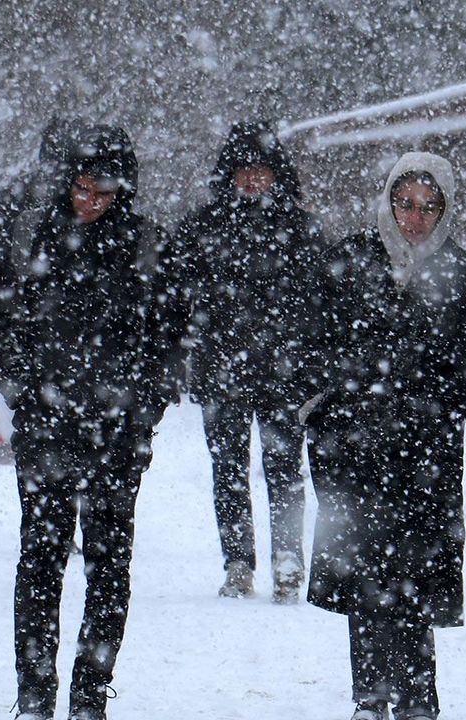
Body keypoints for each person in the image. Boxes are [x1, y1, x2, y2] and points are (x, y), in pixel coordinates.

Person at [0, 122, 187, 720]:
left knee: (109, 564)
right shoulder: (27, 239)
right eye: (81, 188)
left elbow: (172, 337)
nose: (90, 201)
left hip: (118, 434)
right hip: (45, 427)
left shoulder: (148, 246)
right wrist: (25, 393)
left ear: (124, 190)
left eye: (104, 191)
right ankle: (34, 694)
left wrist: (143, 408)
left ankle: (90, 695)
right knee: (40, 560)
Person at [298, 151, 466, 720]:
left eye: (429, 206)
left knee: (417, 571)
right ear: (388, 202)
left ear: (445, 208)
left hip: (425, 447)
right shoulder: (350, 260)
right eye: (406, 204)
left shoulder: (460, 272)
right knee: (365, 571)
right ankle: (370, 696)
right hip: (353, 442)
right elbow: (310, 335)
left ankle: (417, 697)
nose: (416, 217)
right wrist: (312, 397)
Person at [176, 120, 325, 603]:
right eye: (244, 170)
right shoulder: (201, 230)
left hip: (285, 373)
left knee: (285, 468)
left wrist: (313, 365)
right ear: (229, 174)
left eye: (262, 170)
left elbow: (322, 305)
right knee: (228, 469)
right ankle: (238, 561)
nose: (253, 179)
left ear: (278, 173)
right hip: (222, 371)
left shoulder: (303, 231)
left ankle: (288, 559)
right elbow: (179, 301)